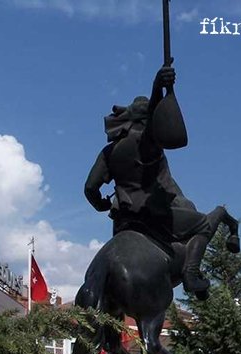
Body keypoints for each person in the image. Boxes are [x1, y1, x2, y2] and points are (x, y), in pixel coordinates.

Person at [84, 66, 216, 294]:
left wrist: (101, 204)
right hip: (153, 214)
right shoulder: (144, 143)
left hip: (123, 222)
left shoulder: (108, 152)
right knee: (203, 224)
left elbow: (90, 188)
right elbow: (154, 118)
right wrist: (157, 87)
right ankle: (191, 275)